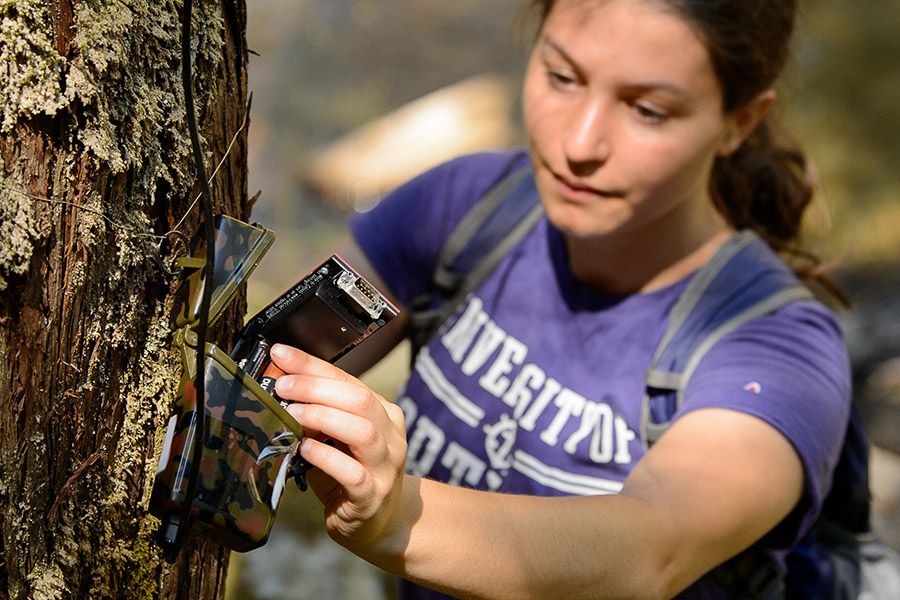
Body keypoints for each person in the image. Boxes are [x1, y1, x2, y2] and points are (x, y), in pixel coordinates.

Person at [271, 0, 863, 598]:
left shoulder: (776, 349)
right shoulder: (466, 206)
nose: (579, 143)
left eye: (648, 110)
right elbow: (266, 357)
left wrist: (398, 516)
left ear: (741, 121)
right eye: (561, 76)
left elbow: (651, 552)